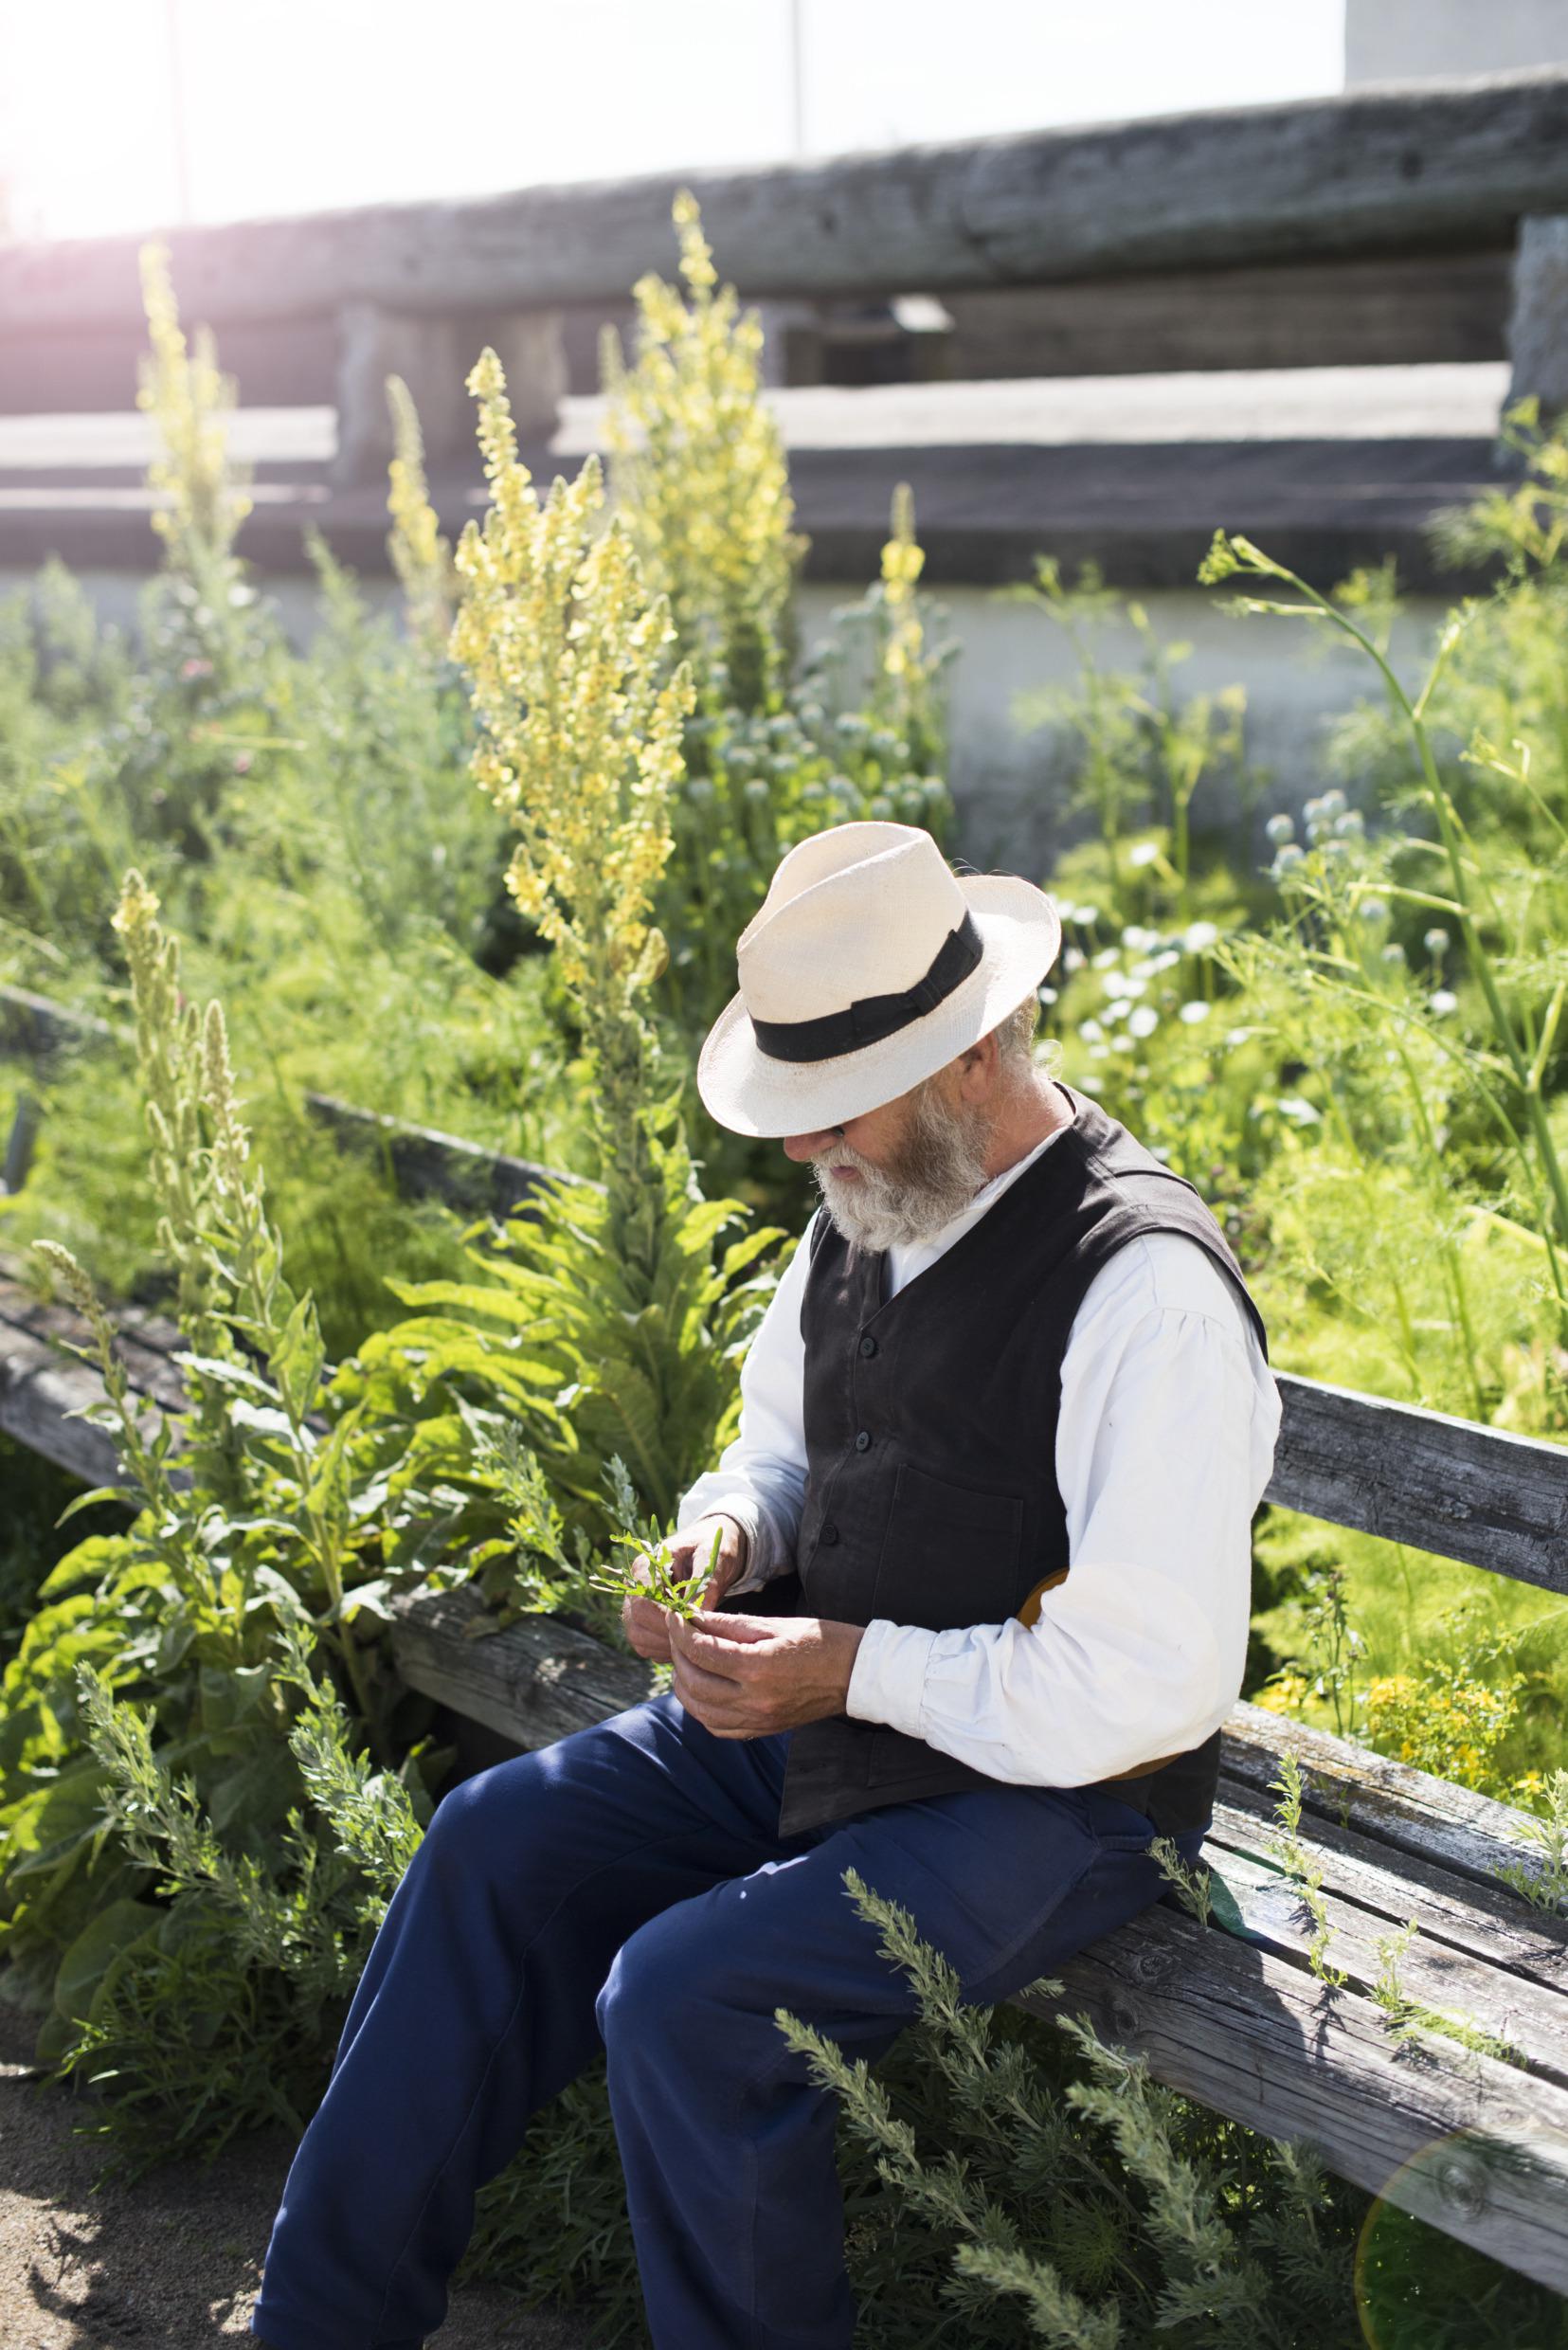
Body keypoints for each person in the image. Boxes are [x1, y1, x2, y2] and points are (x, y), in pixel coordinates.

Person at [251, 820, 1281, 2350]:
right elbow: (786, 1453)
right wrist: (729, 1533)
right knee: (493, 1842)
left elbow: (1146, 1687)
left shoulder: (1146, 1290)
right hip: (839, 1719)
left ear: (974, 1052)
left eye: (832, 1109)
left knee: (689, 1999)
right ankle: (318, 2330)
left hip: (1065, 1797)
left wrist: (847, 1670)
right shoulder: (870, 1203)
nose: (804, 1149)